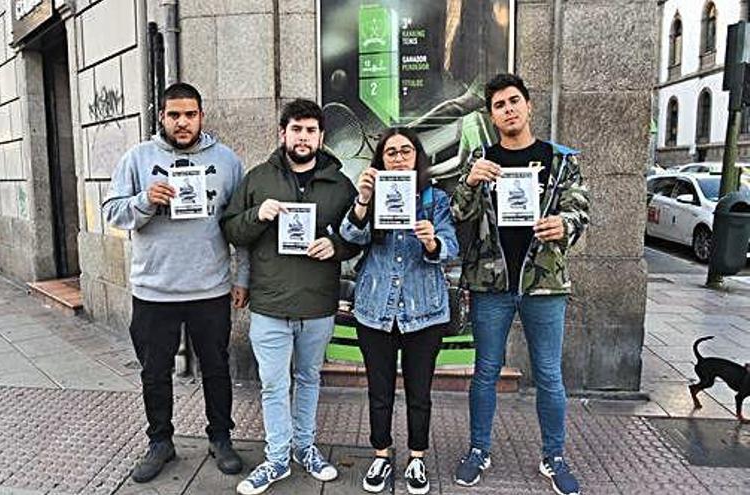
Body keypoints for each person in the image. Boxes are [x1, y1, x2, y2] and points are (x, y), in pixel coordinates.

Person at [102, 82, 249, 483]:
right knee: (154, 371)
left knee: (217, 368)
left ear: (201, 116)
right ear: (161, 117)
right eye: (174, 115)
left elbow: (241, 226)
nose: (182, 123)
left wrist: (242, 277)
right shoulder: (138, 158)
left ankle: (220, 437)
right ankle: (160, 442)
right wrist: (145, 201)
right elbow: (112, 213)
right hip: (154, 290)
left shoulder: (228, 161)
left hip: (211, 289)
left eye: (190, 114)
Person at [450, 74, 589, 495]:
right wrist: (471, 181)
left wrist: (562, 224)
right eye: (499, 105)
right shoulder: (481, 160)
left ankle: (554, 456)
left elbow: (579, 210)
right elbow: (458, 213)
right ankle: (478, 450)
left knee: (548, 375)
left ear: (528, 106)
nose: (508, 109)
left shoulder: (559, 159)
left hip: (544, 282)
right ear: (491, 116)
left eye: (514, 101)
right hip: (491, 283)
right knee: (485, 372)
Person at [222, 99, 360, 495]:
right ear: (283, 133)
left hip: (317, 302)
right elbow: (231, 230)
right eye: (296, 129)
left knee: (309, 378)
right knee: (273, 385)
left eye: (311, 130)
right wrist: (257, 215)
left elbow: (356, 235)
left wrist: (335, 246)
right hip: (269, 303)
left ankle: (305, 448)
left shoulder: (340, 183)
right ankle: (277, 457)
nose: (303, 137)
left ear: (321, 137)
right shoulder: (258, 179)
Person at [340, 128, 459, 495]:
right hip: (375, 310)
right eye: (390, 152)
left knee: (419, 391)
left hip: (424, 310)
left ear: (417, 157)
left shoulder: (435, 199)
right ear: (380, 160)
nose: (397, 157)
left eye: (405, 151)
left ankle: (417, 458)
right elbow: (350, 239)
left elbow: (451, 247)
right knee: (379, 390)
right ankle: (381, 453)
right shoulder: (371, 196)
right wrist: (362, 201)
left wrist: (432, 240)